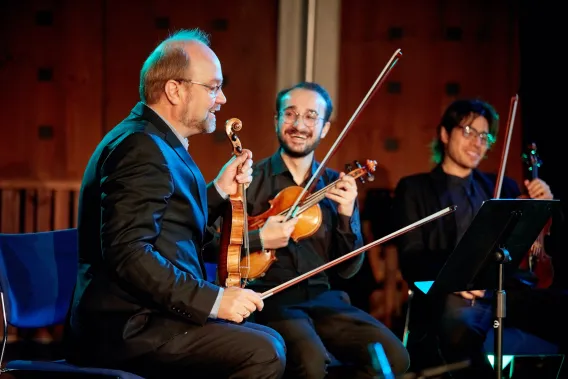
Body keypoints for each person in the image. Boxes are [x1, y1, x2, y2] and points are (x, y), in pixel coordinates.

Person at [64, 28, 286, 379]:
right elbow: (129, 252)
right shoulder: (140, 148)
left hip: (151, 316)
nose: (223, 98)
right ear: (174, 89)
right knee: (263, 352)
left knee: (269, 338)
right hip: (129, 327)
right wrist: (214, 300)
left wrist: (216, 192)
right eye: (213, 87)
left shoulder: (156, 141)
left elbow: (172, 228)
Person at [210, 81, 410, 378]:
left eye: (311, 116)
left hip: (324, 300)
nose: (299, 124)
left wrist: (345, 214)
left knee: (394, 357)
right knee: (311, 362)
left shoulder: (336, 185)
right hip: (267, 298)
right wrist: (260, 237)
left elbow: (348, 270)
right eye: (290, 114)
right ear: (276, 120)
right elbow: (209, 242)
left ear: (326, 128)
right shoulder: (248, 178)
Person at [391, 98, 568, 378]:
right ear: (445, 134)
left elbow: (534, 248)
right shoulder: (414, 188)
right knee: (458, 324)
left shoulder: (503, 187)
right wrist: (456, 277)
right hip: (451, 296)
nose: (477, 143)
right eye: (468, 131)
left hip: (503, 292)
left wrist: (544, 206)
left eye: (485, 136)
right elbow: (412, 259)